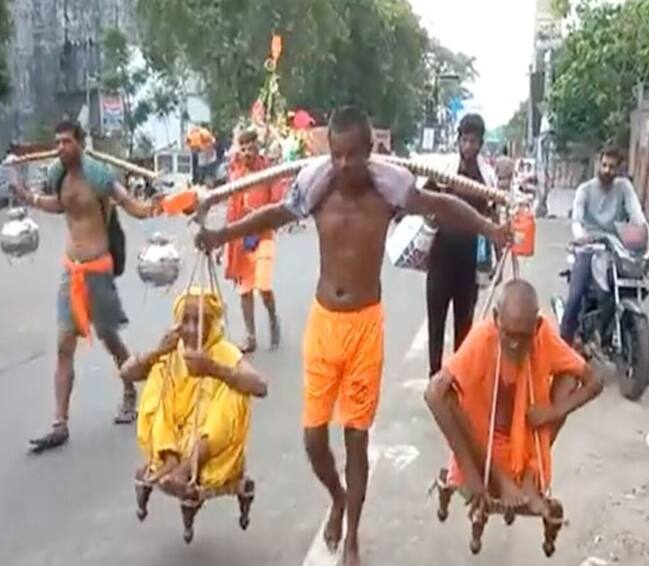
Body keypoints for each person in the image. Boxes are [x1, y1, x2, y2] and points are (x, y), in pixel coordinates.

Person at [197, 106, 510, 566]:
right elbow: (272, 215)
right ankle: (338, 497)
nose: (344, 165)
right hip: (324, 324)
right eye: (337, 155)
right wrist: (222, 233)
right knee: (313, 440)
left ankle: (353, 536)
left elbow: (443, 205)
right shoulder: (316, 189)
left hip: (366, 326)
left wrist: (490, 228)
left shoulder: (390, 193)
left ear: (370, 151)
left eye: (353, 155)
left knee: (357, 438)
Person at [12, 120, 163, 453]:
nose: (60, 148)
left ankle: (130, 390)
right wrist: (31, 198)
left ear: (80, 143)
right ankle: (59, 423)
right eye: (57, 142)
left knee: (110, 339)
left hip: (98, 270)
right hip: (71, 271)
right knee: (64, 345)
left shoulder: (99, 176)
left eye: (66, 142)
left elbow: (130, 205)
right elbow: (60, 205)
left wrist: (155, 206)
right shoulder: (58, 175)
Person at [424, 280, 603, 518]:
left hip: (526, 446)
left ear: (537, 326)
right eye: (508, 334)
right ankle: (501, 480)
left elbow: (594, 382)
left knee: (569, 374)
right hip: (484, 452)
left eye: (524, 336)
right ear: (497, 318)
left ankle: (531, 475)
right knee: (447, 395)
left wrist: (552, 412)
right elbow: (432, 393)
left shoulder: (543, 336)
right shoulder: (484, 337)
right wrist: (473, 476)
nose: (515, 345)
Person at [121, 287, 267, 500]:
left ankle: (186, 468)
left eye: (198, 321)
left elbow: (261, 387)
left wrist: (213, 369)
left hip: (208, 444)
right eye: (185, 321)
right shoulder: (171, 350)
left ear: (211, 324)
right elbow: (126, 372)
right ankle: (169, 460)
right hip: (173, 437)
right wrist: (157, 352)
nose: (191, 329)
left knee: (235, 393)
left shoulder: (223, 352)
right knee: (157, 373)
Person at [426, 113, 498, 378]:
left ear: (481, 143)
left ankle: (458, 378)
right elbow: (423, 198)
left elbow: (493, 215)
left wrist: (497, 257)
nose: (468, 146)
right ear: (458, 140)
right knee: (436, 320)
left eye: (474, 141)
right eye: (465, 140)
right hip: (441, 255)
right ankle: (434, 376)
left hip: (469, 259)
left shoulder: (486, 176)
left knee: (464, 323)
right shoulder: (443, 169)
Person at [560, 146, 647, 344]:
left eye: (613, 167)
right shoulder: (585, 190)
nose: (608, 170)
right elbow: (577, 219)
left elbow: (636, 213)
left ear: (619, 169)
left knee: (632, 283)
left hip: (615, 246)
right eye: (605, 165)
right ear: (599, 163)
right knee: (575, 296)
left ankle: (612, 330)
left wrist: (646, 234)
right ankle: (563, 343)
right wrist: (581, 237)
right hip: (589, 246)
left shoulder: (624, 187)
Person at [225, 129, 282, 353]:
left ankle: (272, 318)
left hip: (264, 236)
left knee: (264, 285)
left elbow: (277, 203)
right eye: (244, 148)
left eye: (251, 147)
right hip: (241, 239)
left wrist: (261, 224)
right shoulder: (236, 174)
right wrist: (225, 242)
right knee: (245, 291)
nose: (248, 152)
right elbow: (231, 208)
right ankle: (251, 337)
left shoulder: (269, 172)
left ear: (257, 148)